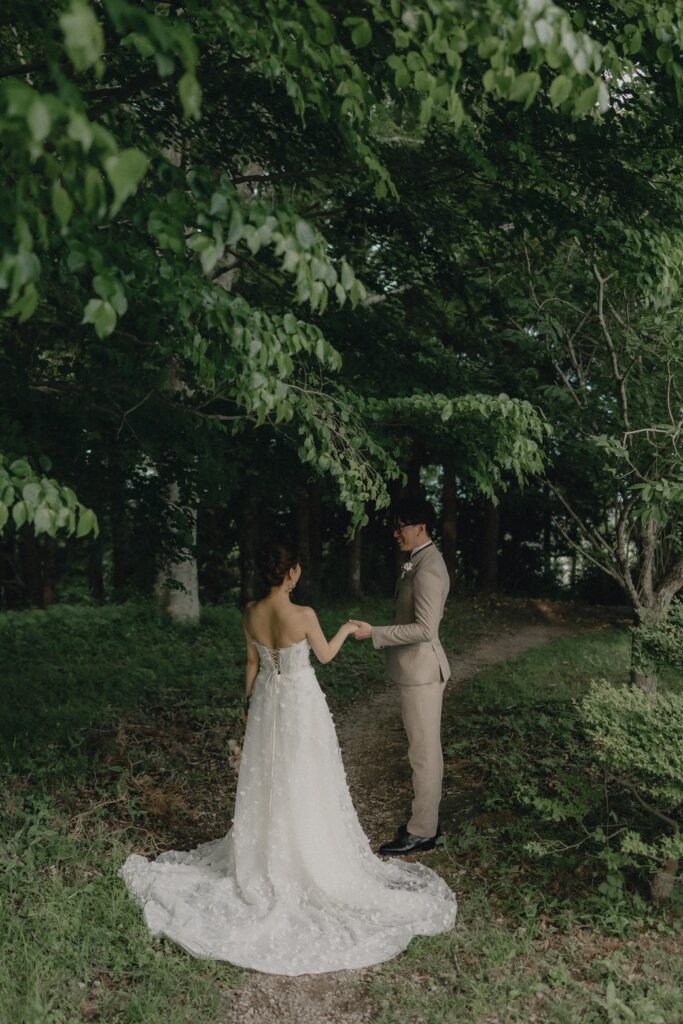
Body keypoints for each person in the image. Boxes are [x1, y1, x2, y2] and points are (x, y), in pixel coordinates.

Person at [120, 540, 456, 976]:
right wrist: (345, 630)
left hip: (266, 704)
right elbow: (326, 656)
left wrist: (246, 711)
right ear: (292, 572)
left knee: (270, 777)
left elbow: (250, 664)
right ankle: (307, 850)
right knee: (306, 776)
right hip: (300, 703)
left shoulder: (250, 612)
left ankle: (268, 851)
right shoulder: (305, 615)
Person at [351, 498, 451, 857]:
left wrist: (375, 632)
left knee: (423, 753)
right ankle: (425, 821)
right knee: (422, 750)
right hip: (416, 671)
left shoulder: (429, 569)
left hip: (423, 672)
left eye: (400, 527)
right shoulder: (419, 561)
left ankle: (422, 831)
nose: (395, 534)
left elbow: (425, 629)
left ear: (420, 528)